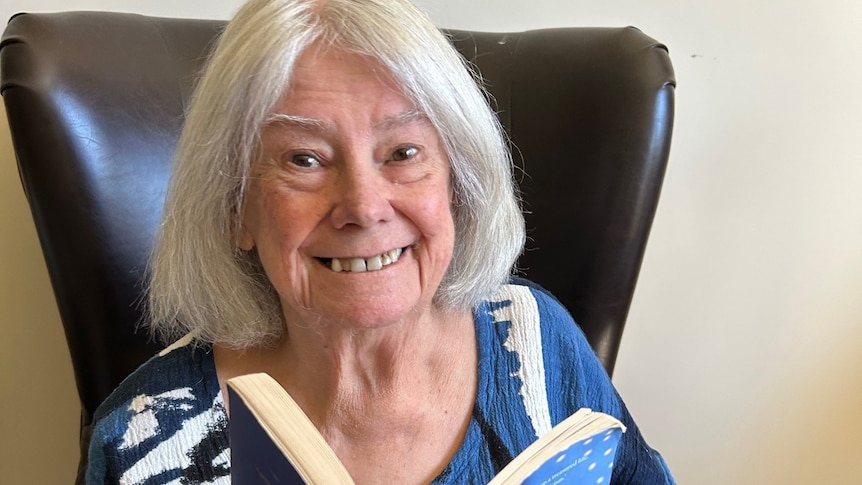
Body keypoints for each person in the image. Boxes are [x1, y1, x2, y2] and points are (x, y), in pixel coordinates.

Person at [86, 0, 675, 483]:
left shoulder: (536, 339)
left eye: (403, 153)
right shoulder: (144, 440)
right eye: (305, 159)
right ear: (236, 206)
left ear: (456, 183)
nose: (364, 207)